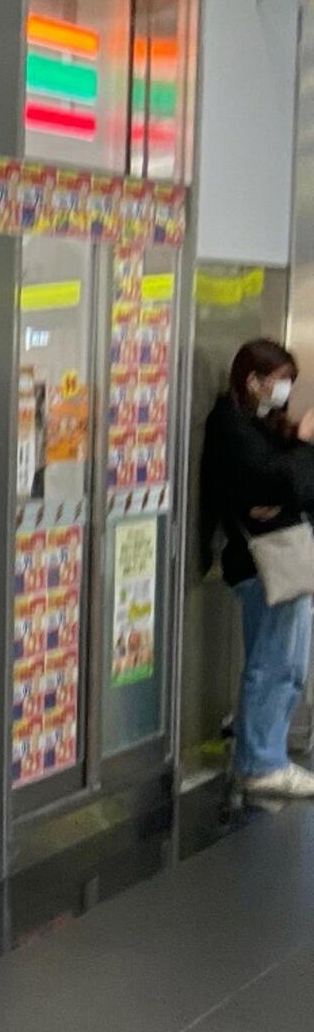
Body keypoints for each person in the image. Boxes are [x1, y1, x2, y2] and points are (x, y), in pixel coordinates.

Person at [196, 337, 314, 798]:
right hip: (262, 566)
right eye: (280, 381)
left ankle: (258, 747)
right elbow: (275, 481)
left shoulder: (262, 426)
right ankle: (261, 762)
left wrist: (286, 486)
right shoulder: (231, 425)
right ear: (253, 380)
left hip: (280, 561)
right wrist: (302, 449)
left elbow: (296, 488)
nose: (284, 391)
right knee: (276, 663)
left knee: (281, 658)